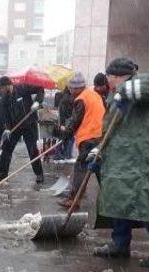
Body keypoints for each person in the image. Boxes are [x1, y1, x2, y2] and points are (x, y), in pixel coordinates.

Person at [92, 57, 149, 268]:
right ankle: (119, 245)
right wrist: (98, 151)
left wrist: (126, 89)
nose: (109, 81)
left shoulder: (146, 83)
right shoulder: (114, 96)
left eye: (110, 77)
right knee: (119, 204)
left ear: (119, 76)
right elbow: (110, 126)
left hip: (142, 159)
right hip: (120, 158)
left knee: (145, 203)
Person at [54, 72, 105, 210]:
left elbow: (75, 121)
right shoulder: (94, 95)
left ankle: (73, 199)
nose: (70, 91)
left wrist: (64, 135)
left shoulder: (81, 99)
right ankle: (109, 199)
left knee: (80, 168)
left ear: (76, 88)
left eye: (71, 88)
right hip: (101, 137)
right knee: (100, 169)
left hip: (89, 138)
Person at [0, 76, 45, 183]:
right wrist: (7, 128)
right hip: (15, 127)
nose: (1, 90)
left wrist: (37, 102)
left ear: (7, 85)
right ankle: (2, 173)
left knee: (32, 150)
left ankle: (39, 174)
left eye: (2, 88)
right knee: (6, 148)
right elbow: (5, 115)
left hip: (29, 124)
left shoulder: (22, 88)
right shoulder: (5, 98)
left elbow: (40, 89)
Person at [55, 86, 74, 161]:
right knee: (69, 138)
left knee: (63, 138)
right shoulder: (68, 99)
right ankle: (66, 155)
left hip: (64, 121)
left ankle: (61, 154)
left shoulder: (64, 98)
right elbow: (65, 112)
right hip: (67, 121)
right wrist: (63, 124)